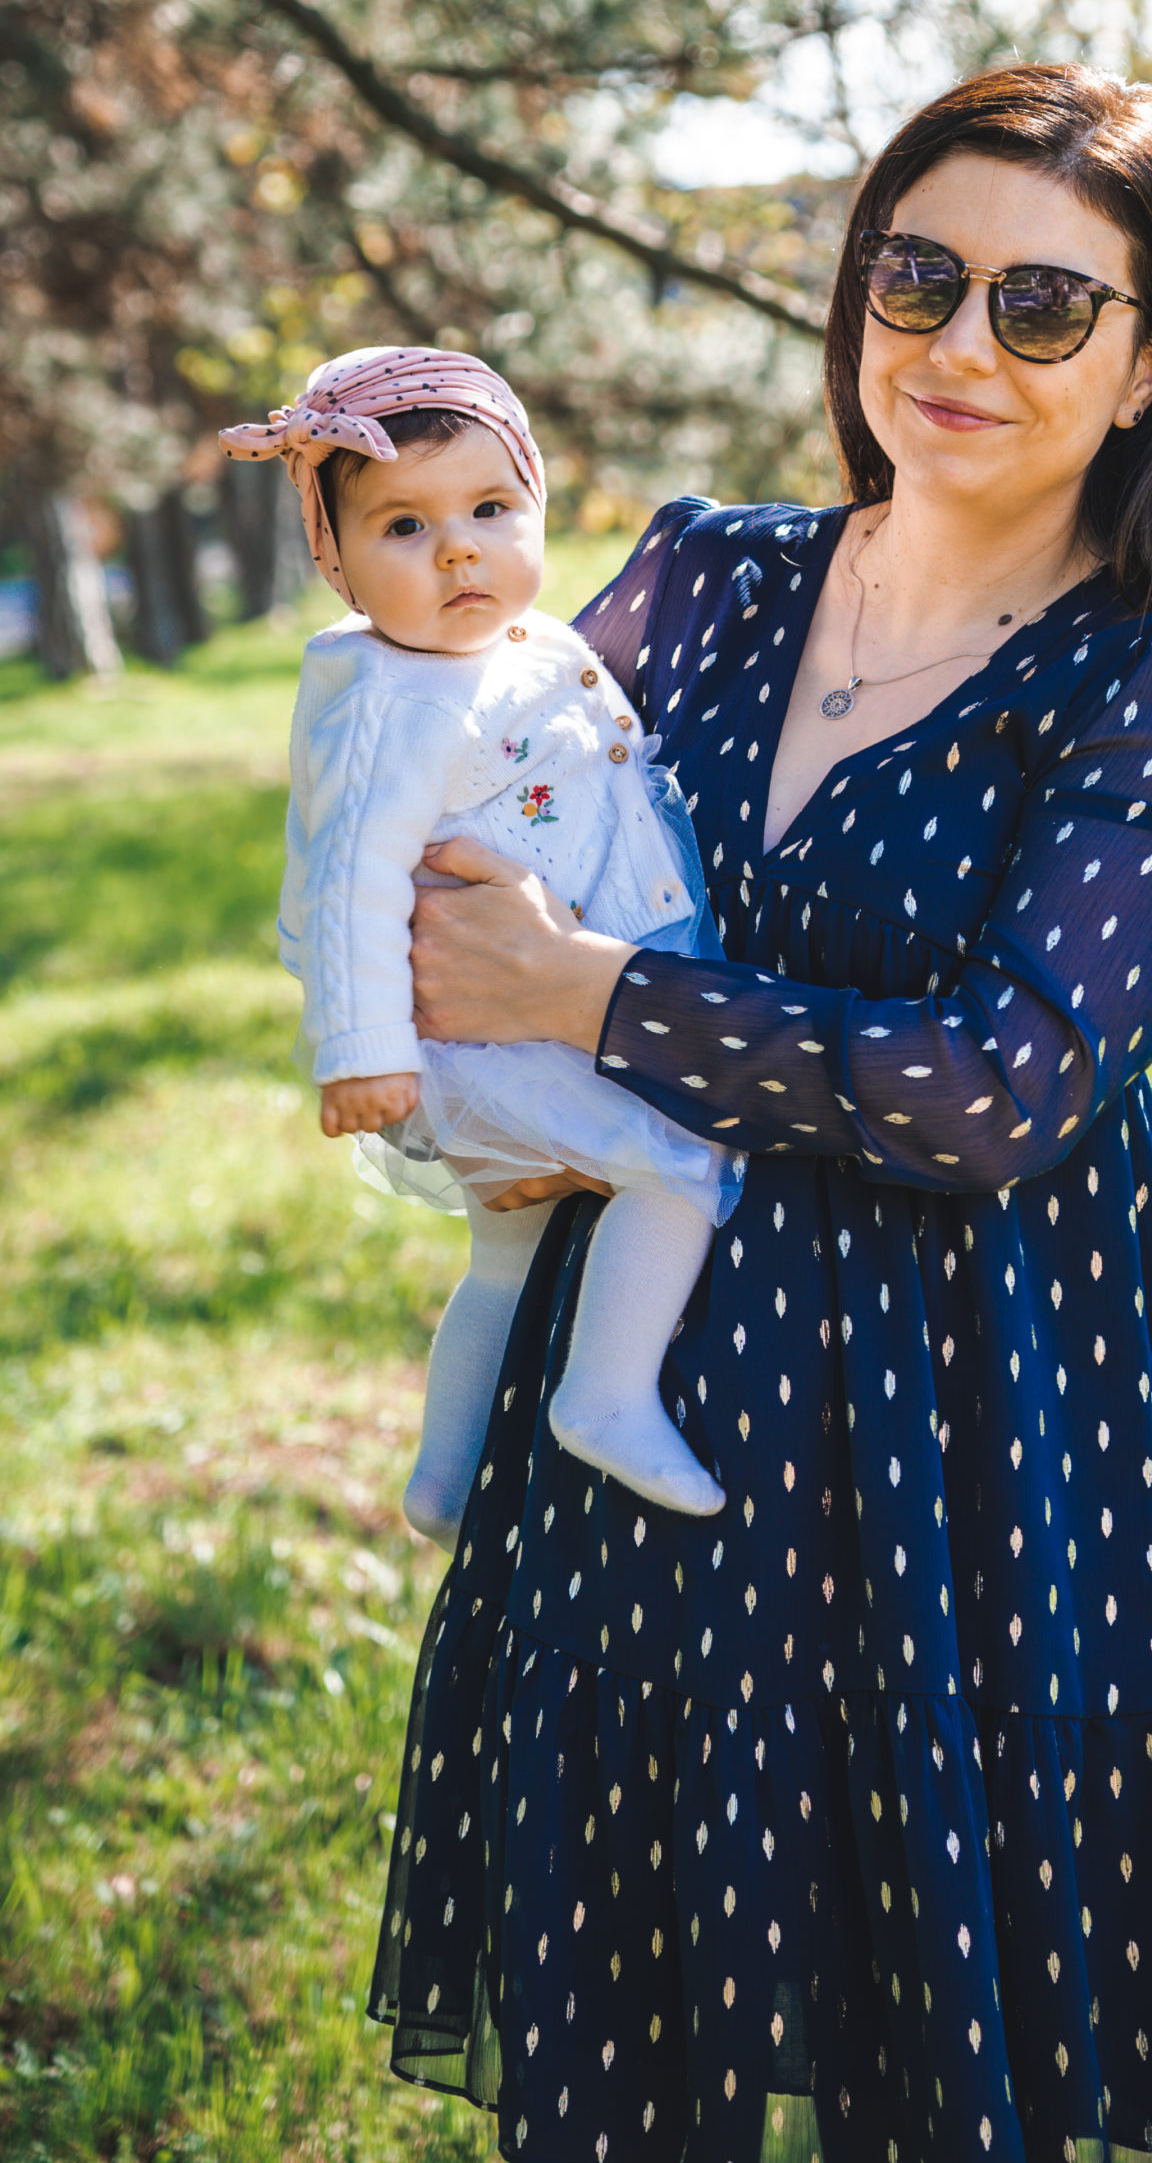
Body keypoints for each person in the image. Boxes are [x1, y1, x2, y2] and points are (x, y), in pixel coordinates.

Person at [368, 66, 1152, 2162]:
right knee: (626, 1995)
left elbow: (994, 1084)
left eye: (1042, 305)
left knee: (931, 2021)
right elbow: (464, 831)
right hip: (648, 1388)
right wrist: (455, 1067)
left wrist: (595, 996)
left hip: (967, 1409)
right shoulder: (703, 576)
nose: (961, 342)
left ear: (1150, 363)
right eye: (918, 277)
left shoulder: (1151, 674)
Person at [221, 347, 742, 1537]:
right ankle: (607, 1392)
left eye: (492, 509)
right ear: (333, 559)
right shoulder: (398, 702)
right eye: (405, 526)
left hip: (523, 1015)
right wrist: (361, 1050)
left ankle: (445, 1477)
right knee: (679, 1163)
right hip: (496, 1036)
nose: (460, 550)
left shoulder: (510, 645)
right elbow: (350, 879)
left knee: (503, 1257)